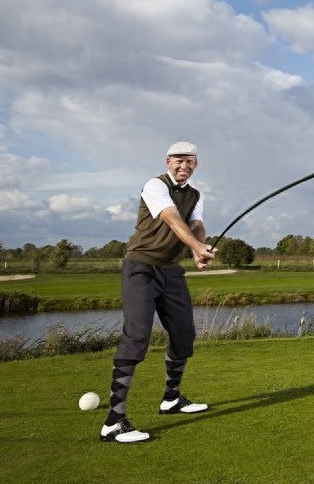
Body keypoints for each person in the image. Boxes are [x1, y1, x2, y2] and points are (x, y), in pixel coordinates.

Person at [100, 141, 217, 443]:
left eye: (189, 162)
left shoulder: (195, 194)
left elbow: (196, 224)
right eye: (179, 161)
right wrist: (194, 246)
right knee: (137, 337)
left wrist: (199, 249)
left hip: (171, 270)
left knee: (183, 334)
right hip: (141, 268)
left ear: (196, 164)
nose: (184, 167)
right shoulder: (155, 185)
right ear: (167, 161)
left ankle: (171, 399)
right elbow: (171, 218)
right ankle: (114, 422)